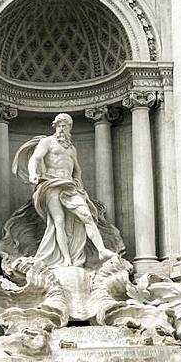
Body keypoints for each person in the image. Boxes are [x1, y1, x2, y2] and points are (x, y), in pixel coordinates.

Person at [22, 113, 116, 267]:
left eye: (64, 126)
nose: (61, 129)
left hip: (70, 186)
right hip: (51, 183)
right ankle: (66, 259)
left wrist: (78, 183)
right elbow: (35, 158)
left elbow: (77, 169)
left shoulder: (71, 149)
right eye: (58, 125)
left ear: (69, 128)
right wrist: (33, 173)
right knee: (59, 221)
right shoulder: (48, 142)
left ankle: (102, 250)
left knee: (86, 215)